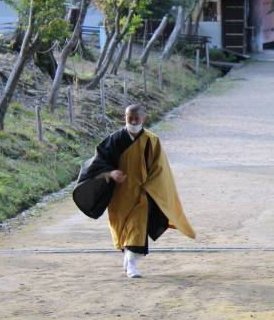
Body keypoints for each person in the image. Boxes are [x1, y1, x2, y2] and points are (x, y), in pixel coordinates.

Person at [72, 103, 195, 278]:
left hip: (142, 193)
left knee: (138, 228)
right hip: (119, 195)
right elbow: (98, 161)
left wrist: (152, 186)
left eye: (137, 118)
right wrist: (111, 172)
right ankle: (128, 256)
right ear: (125, 117)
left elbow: (160, 168)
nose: (134, 121)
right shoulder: (114, 139)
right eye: (130, 118)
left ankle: (131, 264)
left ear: (144, 118)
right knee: (122, 229)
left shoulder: (152, 140)